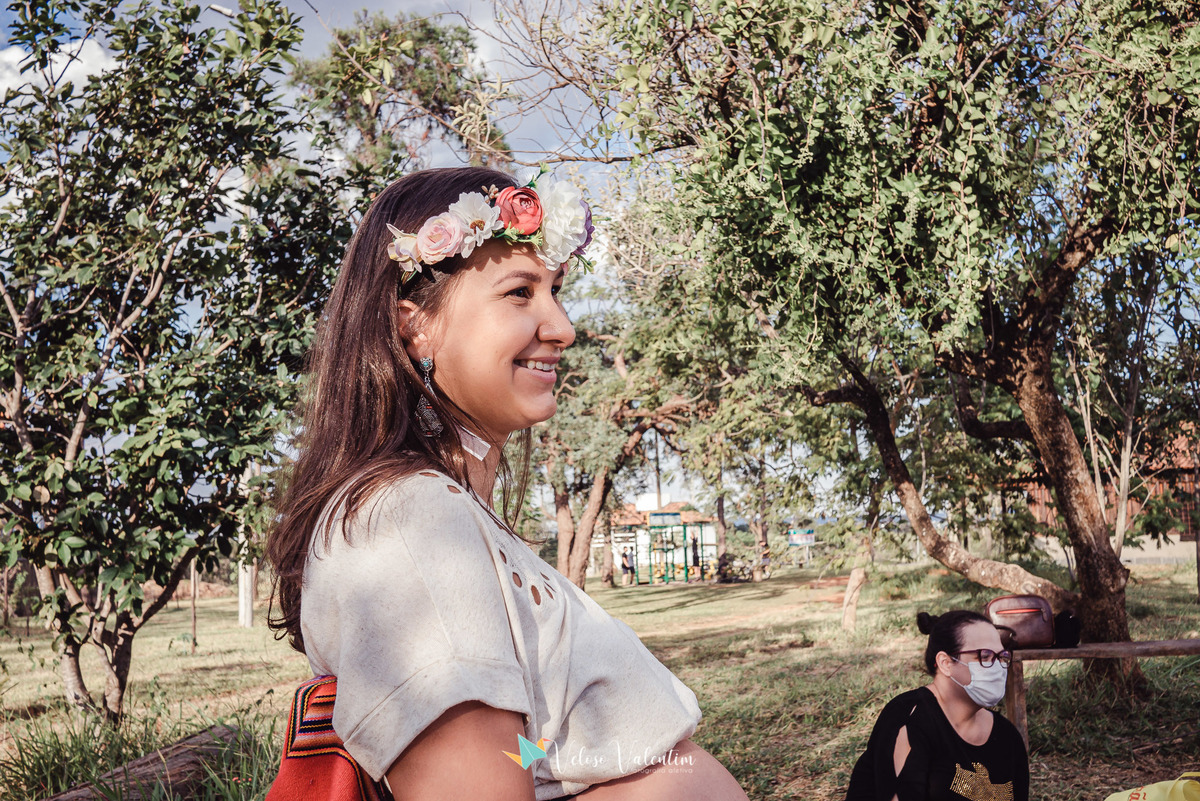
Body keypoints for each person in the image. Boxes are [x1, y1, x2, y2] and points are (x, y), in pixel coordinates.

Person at [266, 166, 748, 801]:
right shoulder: (411, 521)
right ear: (417, 326)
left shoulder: (448, 512)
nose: (563, 327)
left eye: (556, 291)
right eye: (520, 293)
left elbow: (525, 754)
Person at [845, 610, 1029, 801]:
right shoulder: (909, 718)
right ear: (945, 663)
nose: (998, 667)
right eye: (985, 656)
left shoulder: (1007, 738)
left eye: (1002, 656)